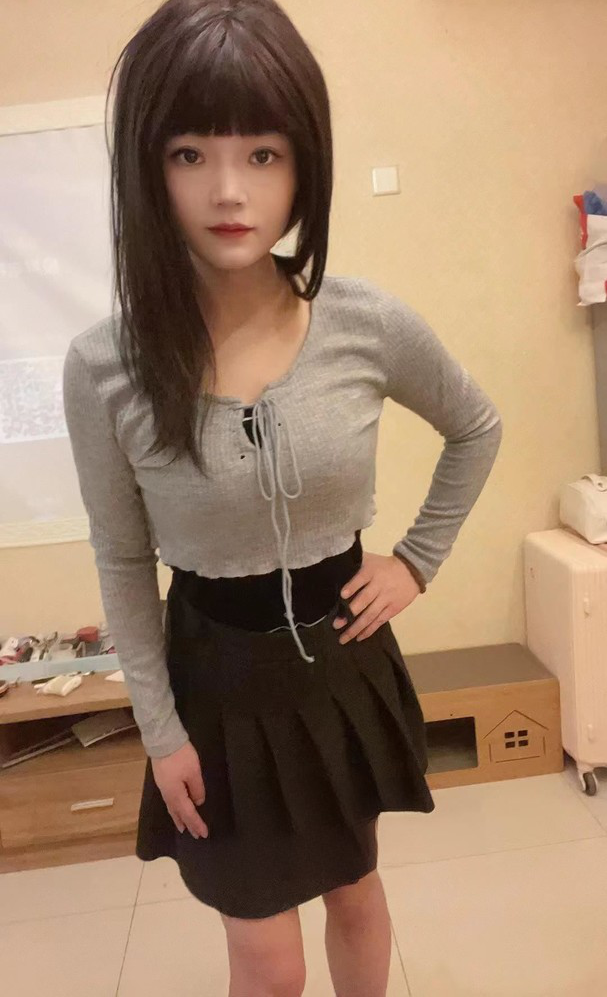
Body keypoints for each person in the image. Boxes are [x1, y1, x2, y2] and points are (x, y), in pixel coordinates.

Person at [62, 1, 503, 994]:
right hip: (215, 684)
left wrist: (416, 560)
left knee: (355, 890)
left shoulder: (365, 321)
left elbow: (475, 425)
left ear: (304, 165)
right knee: (266, 964)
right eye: (189, 153)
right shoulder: (104, 366)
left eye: (262, 154)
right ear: (147, 169)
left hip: (340, 669)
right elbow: (122, 555)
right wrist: (158, 728)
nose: (229, 190)